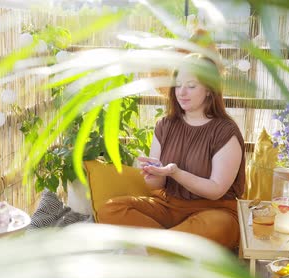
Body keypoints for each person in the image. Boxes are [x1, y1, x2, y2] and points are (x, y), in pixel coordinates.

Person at [97, 54, 245, 249]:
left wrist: (176, 172)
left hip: (213, 211)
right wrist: (153, 174)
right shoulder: (165, 125)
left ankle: (158, 247)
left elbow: (216, 191)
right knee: (110, 209)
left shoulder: (226, 131)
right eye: (178, 85)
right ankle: (170, 248)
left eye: (191, 86)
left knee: (219, 226)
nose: (181, 92)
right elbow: (156, 186)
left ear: (209, 89)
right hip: (167, 207)